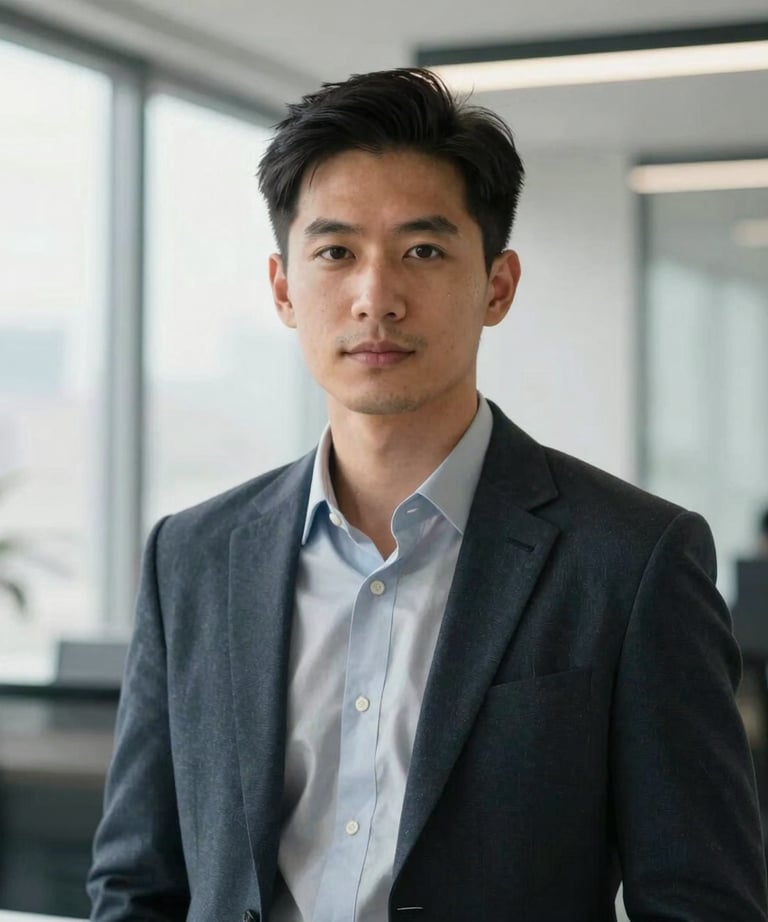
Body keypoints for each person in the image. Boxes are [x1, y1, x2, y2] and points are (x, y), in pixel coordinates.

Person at [87, 68, 768, 922]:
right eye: (335, 251)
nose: (377, 297)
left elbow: (703, 902)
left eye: (423, 250)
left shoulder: (630, 561)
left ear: (498, 285)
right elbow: (139, 884)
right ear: (283, 287)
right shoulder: (190, 556)